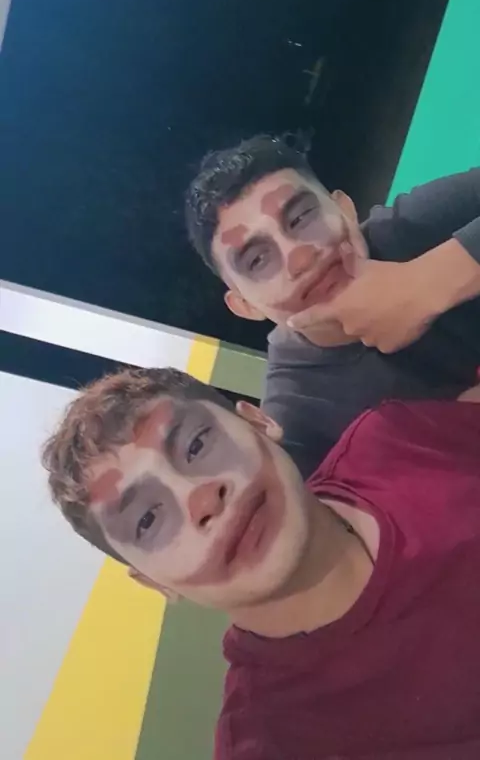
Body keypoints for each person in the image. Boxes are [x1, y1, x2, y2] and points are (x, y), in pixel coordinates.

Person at [43, 366, 480, 759]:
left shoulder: (391, 440)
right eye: (147, 520)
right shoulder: (271, 745)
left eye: (196, 444)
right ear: (155, 583)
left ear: (259, 422)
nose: (201, 499)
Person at [185, 134, 480, 476]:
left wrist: (431, 281)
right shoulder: (299, 419)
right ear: (244, 305)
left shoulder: (408, 229)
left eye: (300, 218)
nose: (301, 257)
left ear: (345, 208)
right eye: (257, 259)